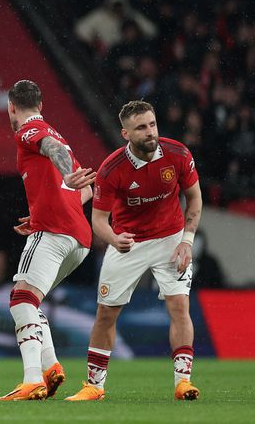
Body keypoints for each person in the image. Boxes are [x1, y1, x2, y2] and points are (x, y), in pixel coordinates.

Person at [67, 100, 202, 402]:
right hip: (128, 243)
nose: (150, 132)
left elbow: (194, 199)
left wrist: (187, 241)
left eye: (152, 124)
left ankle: (183, 383)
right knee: (105, 314)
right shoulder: (111, 169)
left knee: (179, 307)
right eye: (141, 127)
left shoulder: (178, 154)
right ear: (125, 133)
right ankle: (94, 386)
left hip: (171, 239)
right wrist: (114, 239)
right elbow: (98, 220)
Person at [0, 80, 96, 401]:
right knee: (31, 300)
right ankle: (50, 367)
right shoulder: (59, 134)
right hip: (78, 237)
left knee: (20, 299)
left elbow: (54, 155)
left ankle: (31, 379)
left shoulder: (28, 131)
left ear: (12, 106)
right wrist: (43, 210)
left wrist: (65, 174)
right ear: (41, 103)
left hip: (53, 231)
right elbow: (87, 191)